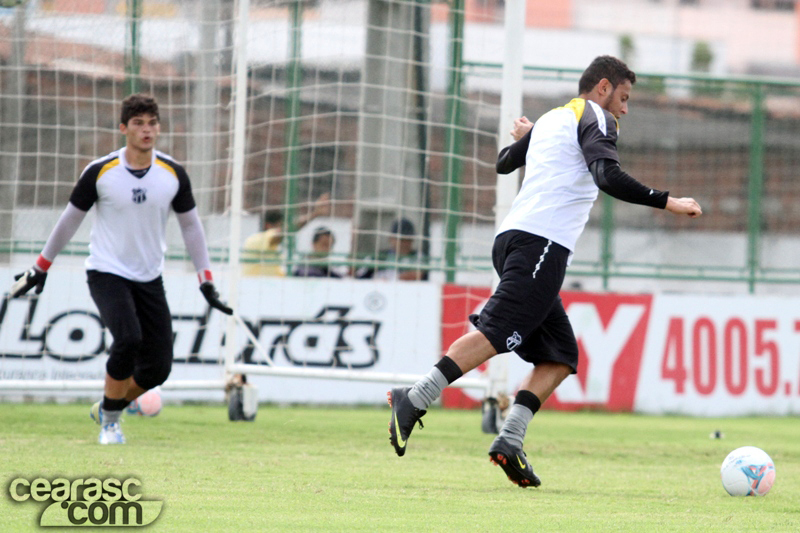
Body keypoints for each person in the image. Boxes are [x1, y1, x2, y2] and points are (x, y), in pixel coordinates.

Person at [387, 56, 702, 487]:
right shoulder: (595, 116)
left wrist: (531, 136)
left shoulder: (555, 118)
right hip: (542, 244)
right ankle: (415, 396)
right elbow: (606, 175)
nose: (624, 109)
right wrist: (668, 201)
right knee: (497, 333)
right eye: (624, 98)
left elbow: (502, 162)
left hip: (516, 241)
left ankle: (509, 441)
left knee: (559, 356)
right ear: (604, 87)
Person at [9, 94, 232, 445]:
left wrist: (206, 280)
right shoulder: (101, 171)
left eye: (152, 122)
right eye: (139, 123)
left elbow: (191, 227)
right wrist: (41, 266)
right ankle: (110, 423)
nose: (147, 130)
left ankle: (108, 405)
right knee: (127, 338)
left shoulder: (173, 174)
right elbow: (70, 221)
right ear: (123, 128)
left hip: (149, 276)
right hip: (106, 271)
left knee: (158, 368)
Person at [242, 192, 331, 277]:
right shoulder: (256, 240)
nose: (284, 229)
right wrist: (314, 214)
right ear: (268, 225)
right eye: (280, 225)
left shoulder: (271, 248)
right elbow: (285, 231)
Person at [355, 217, 425, 281]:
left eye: (408, 239)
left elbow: (417, 275)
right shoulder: (379, 256)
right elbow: (359, 276)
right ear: (391, 238)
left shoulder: (418, 256)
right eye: (400, 239)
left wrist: (392, 279)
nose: (404, 243)